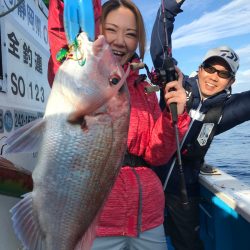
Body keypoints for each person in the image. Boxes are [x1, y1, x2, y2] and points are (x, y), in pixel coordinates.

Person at [47, 0, 191, 249]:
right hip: (97, 223)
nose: (120, 40)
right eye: (111, 29)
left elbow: (157, 155)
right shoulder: (80, 67)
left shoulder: (144, 88)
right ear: (98, 30)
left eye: (131, 34)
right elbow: (63, 32)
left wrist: (172, 114)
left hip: (150, 220)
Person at [150, 2, 250, 250]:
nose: (214, 77)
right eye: (210, 68)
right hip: (148, 181)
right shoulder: (177, 83)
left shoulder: (227, 109)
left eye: (223, 74)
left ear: (231, 81)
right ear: (200, 68)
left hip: (185, 194)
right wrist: (170, 8)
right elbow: (160, 51)